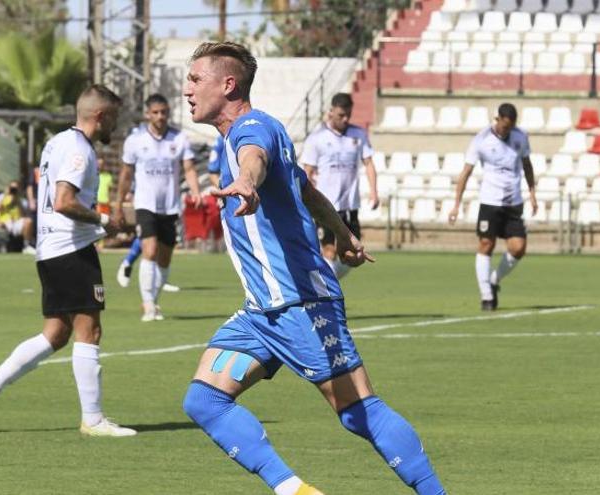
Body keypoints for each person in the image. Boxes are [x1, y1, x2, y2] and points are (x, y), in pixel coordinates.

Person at [181, 42, 445, 495]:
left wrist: (245, 180)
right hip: (262, 313)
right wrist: (342, 234)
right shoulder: (250, 134)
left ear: (228, 85)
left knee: (358, 410)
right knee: (204, 400)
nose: (187, 90)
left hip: (299, 303)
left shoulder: (251, 130)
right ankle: (295, 490)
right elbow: (305, 190)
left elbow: (254, 159)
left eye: (195, 79)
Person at [0, 84, 136, 438]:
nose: (115, 126)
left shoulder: (57, 142)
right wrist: (104, 220)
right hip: (71, 249)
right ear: (100, 116)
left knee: (56, 334)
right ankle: (93, 420)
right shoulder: (79, 150)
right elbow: (63, 201)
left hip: (51, 250)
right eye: (113, 118)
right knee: (90, 331)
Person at [113, 93, 201, 321]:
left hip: (170, 207)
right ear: (147, 114)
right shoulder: (135, 141)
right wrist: (119, 204)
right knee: (149, 250)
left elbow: (189, 168)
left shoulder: (179, 138)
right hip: (145, 205)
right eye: (156, 112)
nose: (160, 116)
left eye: (164, 112)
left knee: (164, 260)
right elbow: (126, 174)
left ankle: (153, 299)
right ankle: (148, 305)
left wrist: (195, 191)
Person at [448, 103, 536, 312]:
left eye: (510, 127)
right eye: (504, 126)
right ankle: (486, 295)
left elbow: (527, 164)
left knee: (518, 248)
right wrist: (456, 204)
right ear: (497, 120)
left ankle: (494, 280)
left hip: (513, 202)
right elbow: (466, 172)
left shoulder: (520, 137)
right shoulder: (482, 139)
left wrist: (532, 193)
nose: (506, 131)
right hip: (490, 201)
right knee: (486, 244)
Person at [301, 93, 379, 280]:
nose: (345, 119)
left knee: (354, 256)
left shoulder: (358, 135)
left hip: (350, 206)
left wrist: (374, 192)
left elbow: (368, 163)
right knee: (329, 250)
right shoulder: (317, 138)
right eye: (341, 115)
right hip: (326, 206)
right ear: (331, 112)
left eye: (348, 115)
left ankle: (322, 284)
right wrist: (304, 198)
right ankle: (324, 290)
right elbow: (307, 171)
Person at [0, 179, 36, 254]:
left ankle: (26, 246)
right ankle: (1, 247)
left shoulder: (21, 200)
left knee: (28, 221)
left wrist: (17, 201)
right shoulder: (2, 197)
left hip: (15, 223)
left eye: (15, 188)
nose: (13, 190)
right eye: (12, 188)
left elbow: (23, 215)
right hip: (3, 223)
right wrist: (5, 195)